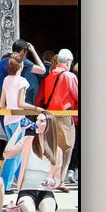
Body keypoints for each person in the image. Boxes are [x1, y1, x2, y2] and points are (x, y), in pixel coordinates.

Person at [3, 112, 61, 212]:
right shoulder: (28, 140)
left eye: (42, 121)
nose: (37, 123)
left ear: (49, 125)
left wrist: (52, 182)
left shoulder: (57, 150)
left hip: (45, 190)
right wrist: (18, 131)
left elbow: (58, 179)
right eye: (37, 120)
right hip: (26, 190)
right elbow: (7, 154)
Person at [38, 47, 79, 189]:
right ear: (68, 62)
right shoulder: (70, 76)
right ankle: (60, 180)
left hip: (49, 116)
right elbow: (77, 96)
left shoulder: (49, 77)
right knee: (67, 147)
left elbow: (40, 98)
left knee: (52, 148)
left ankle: (49, 177)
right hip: (64, 116)